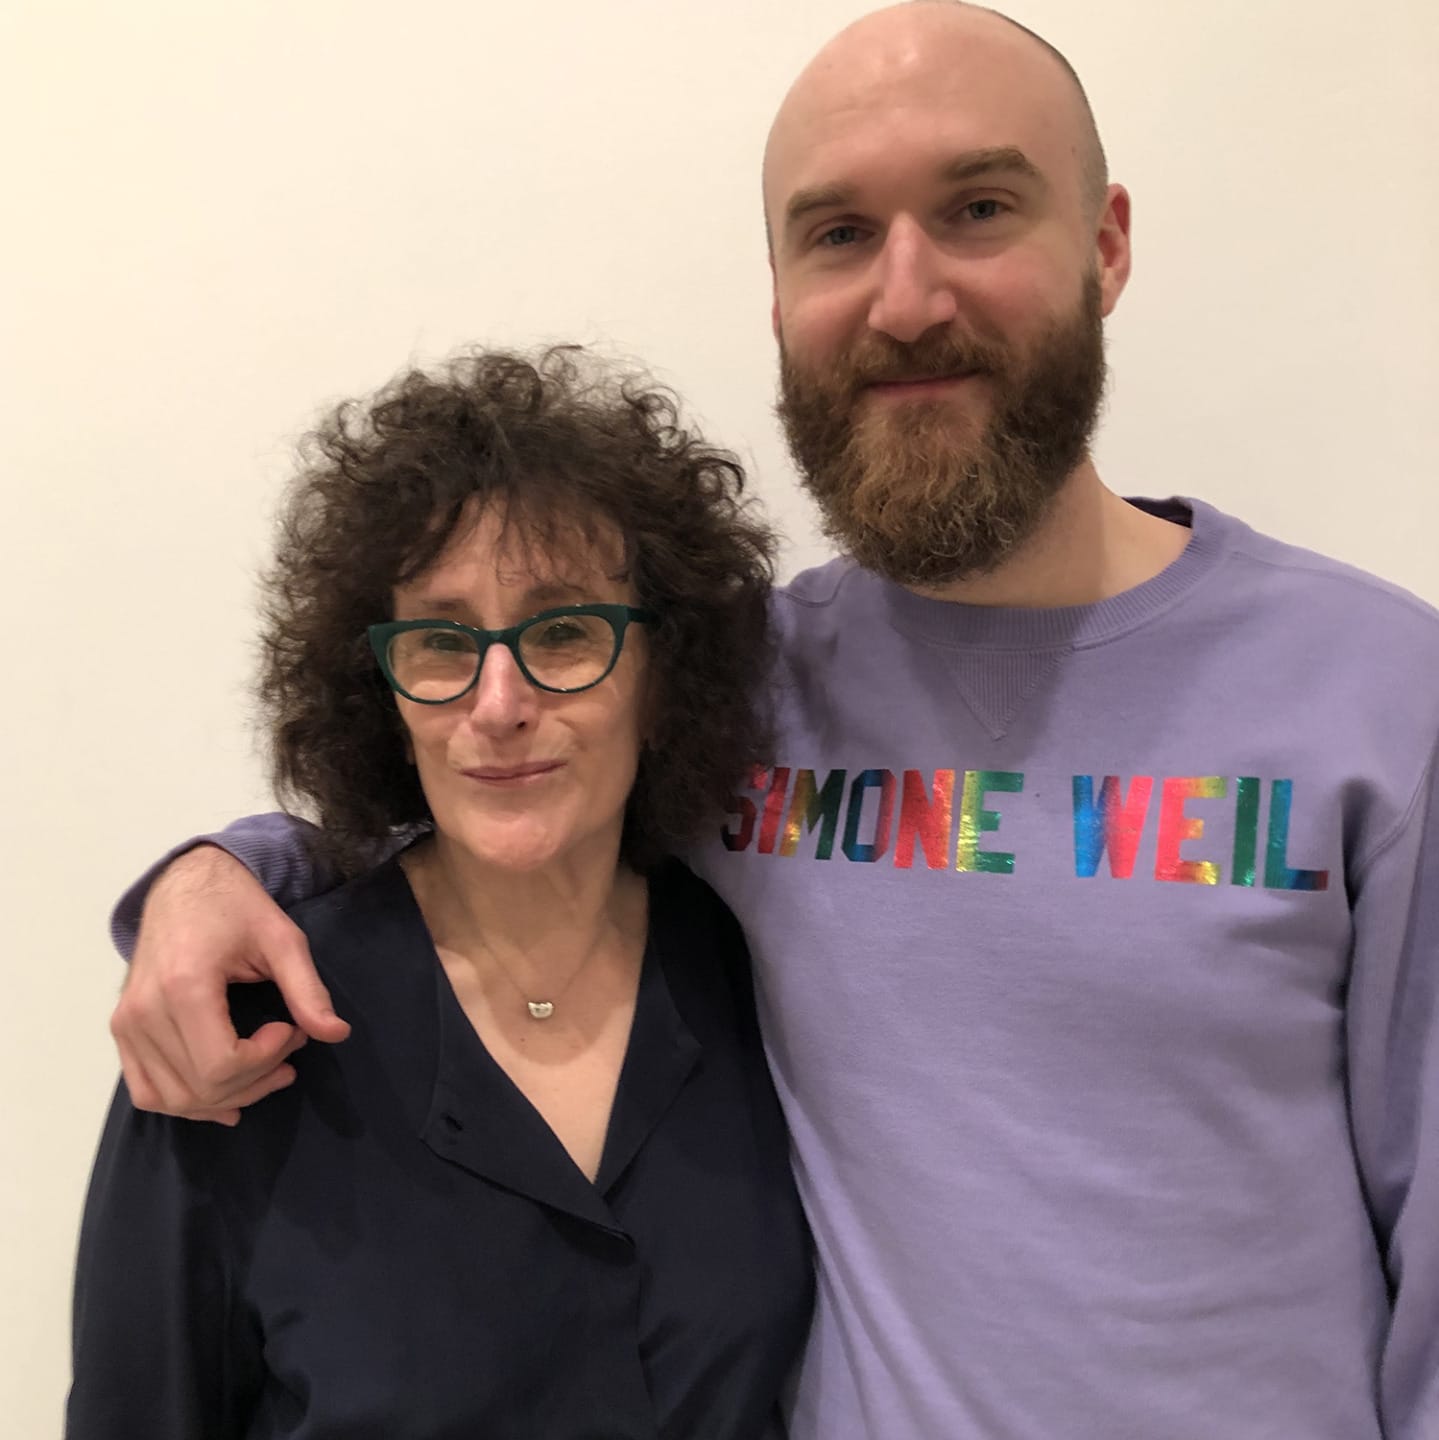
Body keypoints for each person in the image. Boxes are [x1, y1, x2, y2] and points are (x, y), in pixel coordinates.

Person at [104, 4, 1439, 1438]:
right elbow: (485, 780)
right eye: (838, 234)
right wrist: (212, 876)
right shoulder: (745, 682)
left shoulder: (1375, 694)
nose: (905, 298)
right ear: (778, 294)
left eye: (978, 208)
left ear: (1104, 245)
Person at [70, 348, 814, 1438]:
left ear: (662, 675)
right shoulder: (236, 1034)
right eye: (439, 641)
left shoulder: (757, 970)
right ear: (382, 688)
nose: (497, 703)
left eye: (564, 631)